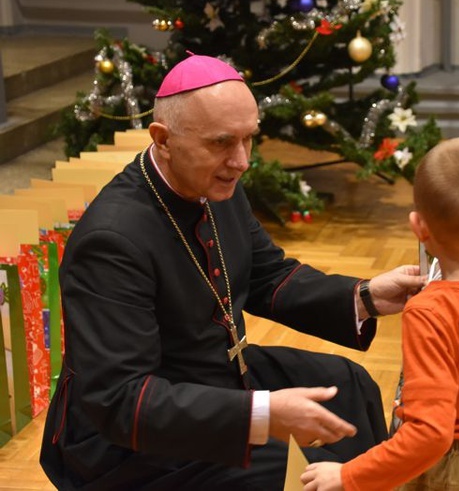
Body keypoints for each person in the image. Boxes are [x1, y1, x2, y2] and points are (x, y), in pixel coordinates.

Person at [39, 54, 425, 490]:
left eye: (249, 140)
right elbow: (120, 401)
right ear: (163, 139)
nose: (241, 161)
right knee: (293, 468)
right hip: (129, 440)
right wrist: (261, 415)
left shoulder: (214, 185)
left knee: (348, 386)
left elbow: (266, 276)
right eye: (222, 143)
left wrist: (366, 296)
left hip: (216, 378)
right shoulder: (110, 241)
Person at [301, 138, 459, 491]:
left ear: (419, 227)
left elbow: (430, 434)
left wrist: (347, 475)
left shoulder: (430, 311)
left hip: (447, 469)